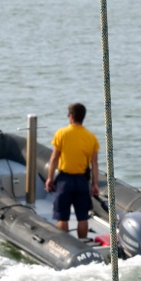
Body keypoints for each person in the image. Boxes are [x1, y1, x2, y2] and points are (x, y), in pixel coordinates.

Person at [45, 102, 100, 240]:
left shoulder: (62, 133)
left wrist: (50, 178)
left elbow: (54, 158)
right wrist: (95, 185)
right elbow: (94, 163)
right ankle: (82, 243)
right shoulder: (91, 137)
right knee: (83, 217)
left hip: (65, 180)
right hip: (82, 181)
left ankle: (65, 245)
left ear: (70, 116)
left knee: (63, 217)